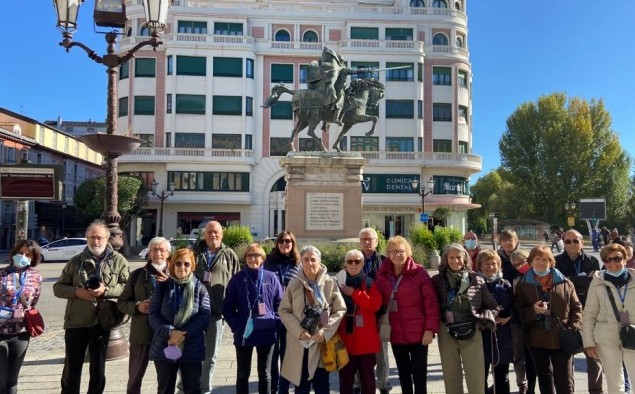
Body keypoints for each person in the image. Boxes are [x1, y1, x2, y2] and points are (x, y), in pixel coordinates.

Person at [53, 220, 129, 394]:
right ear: (87, 238)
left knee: (98, 369)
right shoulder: (75, 261)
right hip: (76, 321)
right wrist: (76, 292)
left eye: (100, 237)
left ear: (107, 238)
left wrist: (106, 290)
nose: (96, 242)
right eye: (92, 237)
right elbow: (58, 288)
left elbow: (127, 287)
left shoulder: (119, 261)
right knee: (72, 368)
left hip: (102, 321)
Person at [432, 243, 499, 394]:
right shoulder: (438, 280)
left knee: (476, 377)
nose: (455, 261)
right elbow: (431, 305)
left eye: (458, 257)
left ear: (465, 258)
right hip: (446, 330)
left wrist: (482, 321)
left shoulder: (476, 279)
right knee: (451, 376)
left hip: (472, 331)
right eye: (451, 257)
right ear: (446, 259)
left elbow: (493, 306)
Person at [514, 245, 582, 394]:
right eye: (537, 259)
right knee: (545, 379)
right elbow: (518, 312)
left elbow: (576, 308)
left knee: (565, 380)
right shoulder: (523, 284)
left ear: (551, 262)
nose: (541, 263)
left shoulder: (565, 283)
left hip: (561, 338)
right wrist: (533, 311)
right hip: (536, 338)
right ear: (530, 262)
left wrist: (572, 328)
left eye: (545, 259)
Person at [278, 245, 346, 393]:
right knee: (301, 386)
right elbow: (284, 311)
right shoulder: (294, 284)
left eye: (313, 260)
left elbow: (340, 309)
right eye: (306, 259)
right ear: (301, 261)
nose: (309, 263)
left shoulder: (329, 282)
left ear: (319, 261)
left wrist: (325, 333)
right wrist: (299, 331)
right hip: (301, 342)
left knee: (322, 386)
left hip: (321, 343)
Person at [375, 236, 439, 394]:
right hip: (396, 332)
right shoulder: (383, 274)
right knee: (403, 373)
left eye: (400, 251)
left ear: (408, 252)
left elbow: (430, 302)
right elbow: (377, 300)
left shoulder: (419, 272)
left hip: (418, 333)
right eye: (393, 251)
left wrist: (430, 329)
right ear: (388, 254)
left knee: (419, 374)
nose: (397, 254)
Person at [223, 243, 284, 394]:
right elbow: (228, 306)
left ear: (262, 258)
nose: (253, 259)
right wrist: (236, 326)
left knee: (265, 374)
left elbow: (281, 304)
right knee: (243, 373)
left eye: (256, 255)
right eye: (249, 255)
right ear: (245, 259)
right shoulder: (237, 279)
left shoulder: (271, 277)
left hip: (267, 332)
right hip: (245, 332)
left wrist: (276, 322)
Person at [188, 220, 240, 394]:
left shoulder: (230, 254)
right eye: (209, 232)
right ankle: (187, 386)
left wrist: (234, 310)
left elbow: (235, 284)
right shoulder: (193, 253)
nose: (213, 235)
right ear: (204, 235)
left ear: (222, 234)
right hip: (193, 312)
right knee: (190, 353)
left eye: (216, 232)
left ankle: (205, 388)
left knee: (211, 356)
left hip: (216, 312)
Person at [149, 248, 211, 394]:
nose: (182, 267)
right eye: (178, 264)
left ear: (192, 266)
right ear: (172, 265)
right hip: (165, 344)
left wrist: (183, 333)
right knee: (165, 389)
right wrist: (171, 332)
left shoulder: (200, 288)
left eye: (186, 264)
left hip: (192, 347)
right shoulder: (162, 287)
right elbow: (152, 315)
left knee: (192, 389)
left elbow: (204, 316)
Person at [117, 236, 170, 394]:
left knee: (166, 378)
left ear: (168, 253)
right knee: (134, 378)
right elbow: (122, 302)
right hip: (141, 334)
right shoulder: (137, 275)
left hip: (166, 335)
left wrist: (171, 285)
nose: (158, 253)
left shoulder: (176, 274)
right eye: (154, 250)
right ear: (149, 253)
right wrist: (137, 307)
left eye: (162, 250)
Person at [555, 229, 602, 394]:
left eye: (575, 241)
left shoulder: (592, 261)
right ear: (563, 243)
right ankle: (568, 390)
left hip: (590, 311)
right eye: (568, 241)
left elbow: (594, 285)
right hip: (567, 312)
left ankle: (596, 390)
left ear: (582, 242)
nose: (572, 244)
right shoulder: (556, 262)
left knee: (593, 354)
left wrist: (570, 280)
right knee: (567, 355)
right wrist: (582, 280)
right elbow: (559, 286)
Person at [584, 243, 635, 393]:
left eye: (617, 258)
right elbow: (589, 314)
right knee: (615, 383)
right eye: (607, 260)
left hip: (633, 334)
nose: (612, 263)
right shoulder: (597, 282)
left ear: (625, 259)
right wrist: (588, 342)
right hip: (606, 337)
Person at [0, 239, 43, 394]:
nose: (23, 256)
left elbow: (34, 300)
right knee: (1, 378)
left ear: (33, 258)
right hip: (1, 332)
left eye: (28, 254)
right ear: (14, 253)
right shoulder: (2, 274)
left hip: (22, 333)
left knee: (12, 379)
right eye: (20, 252)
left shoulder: (36, 277)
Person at [336, 249, 382, 394]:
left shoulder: (369, 283)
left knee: (368, 380)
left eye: (357, 261)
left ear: (363, 264)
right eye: (350, 261)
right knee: (345, 380)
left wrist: (354, 294)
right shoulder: (338, 284)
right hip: (345, 339)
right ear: (345, 264)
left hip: (366, 341)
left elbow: (376, 304)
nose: (353, 264)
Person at [264, 231, 301, 394]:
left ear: (293, 244)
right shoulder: (268, 261)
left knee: (287, 353)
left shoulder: (298, 263)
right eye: (281, 241)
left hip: (291, 313)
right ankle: (274, 386)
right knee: (272, 352)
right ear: (277, 243)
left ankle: (284, 388)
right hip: (272, 311)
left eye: (288, 241)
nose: (285, 244)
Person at [356, 227, 391, 394]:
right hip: (359, 312)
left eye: (370, 239)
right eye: (363, 239)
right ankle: (358, 383)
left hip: (380, 313)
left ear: (376, 242)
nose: (367, 242)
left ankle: (383, 384)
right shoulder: (354, 259)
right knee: (358, 349)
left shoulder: (385, 261)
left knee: (381, 351)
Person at [476, 249, 514, 394]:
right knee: (481, 376)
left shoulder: (505, 284)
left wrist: (509, 316)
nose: (491, 267)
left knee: (502, 377)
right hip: (481, 335)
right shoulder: (475, 284)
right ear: (480, 265)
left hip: (501, 337)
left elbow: (514, 306)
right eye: (486, 264)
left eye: (494, 264)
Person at [509, 249, 536, 394]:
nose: (520, 266)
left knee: (535, 359)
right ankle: (523, 386)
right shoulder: (516, 280)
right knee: (519, 356)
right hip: (520, 322)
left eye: (522, 262)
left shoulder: (541, 275)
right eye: (516, 264)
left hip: (538, 323)